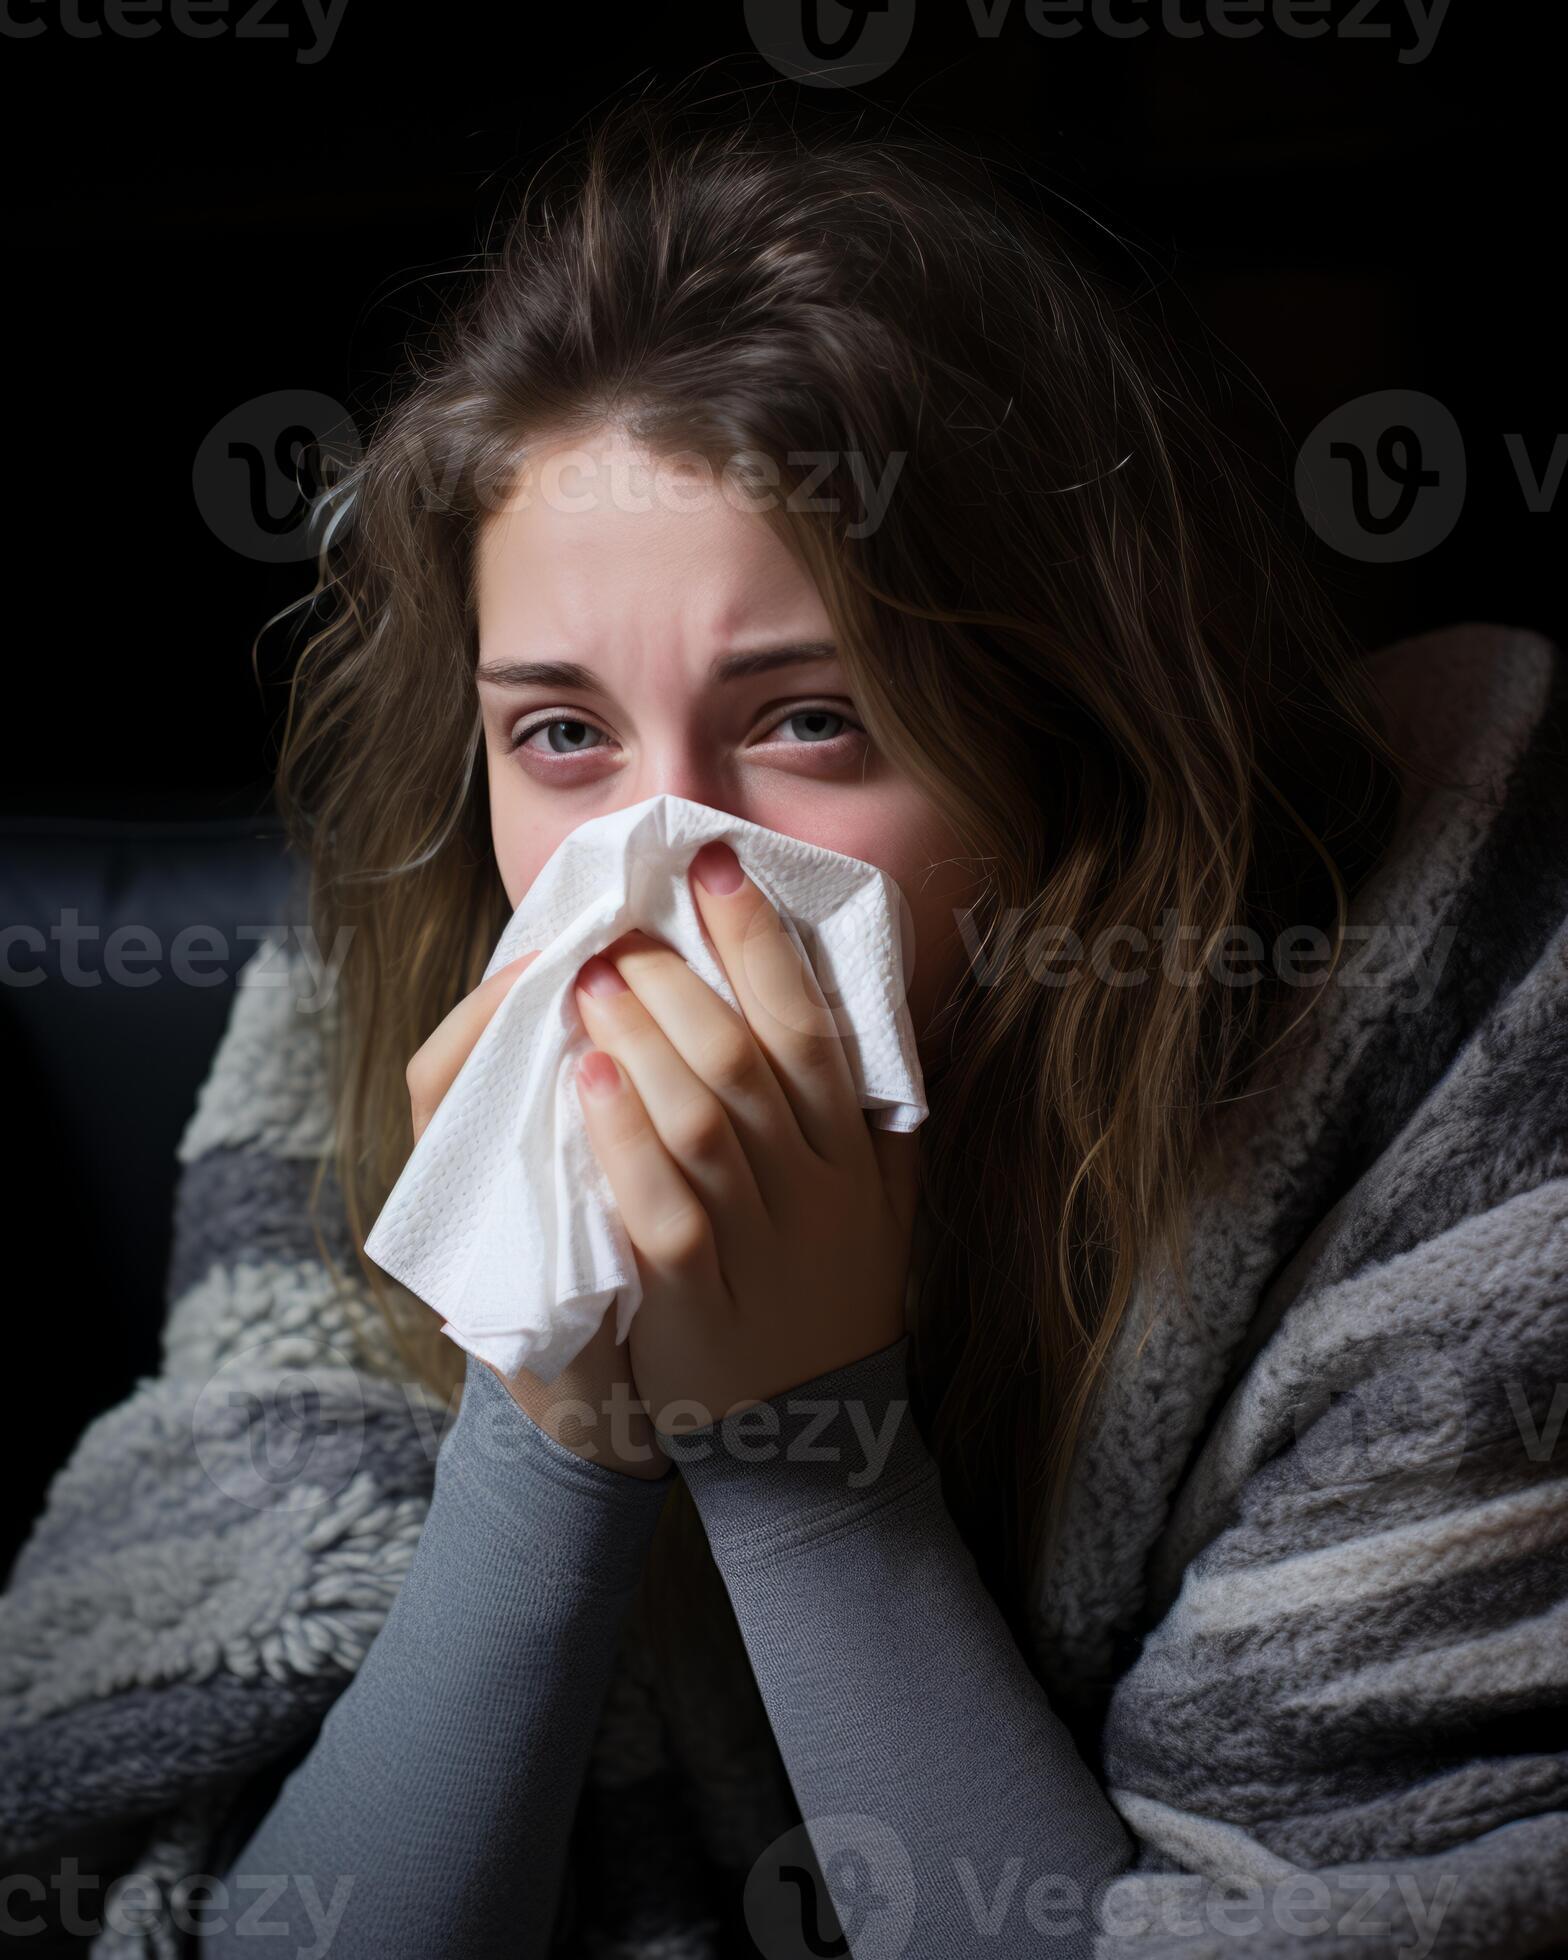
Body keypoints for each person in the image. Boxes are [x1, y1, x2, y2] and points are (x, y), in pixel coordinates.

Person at [3, 84, 1565, 1960]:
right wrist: (550, 1415)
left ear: (1068, 755)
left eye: (808, 718)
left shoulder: (1436, 1116)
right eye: (562, 735)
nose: (664, 860)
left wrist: (795, 1432)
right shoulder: (389, 1023)